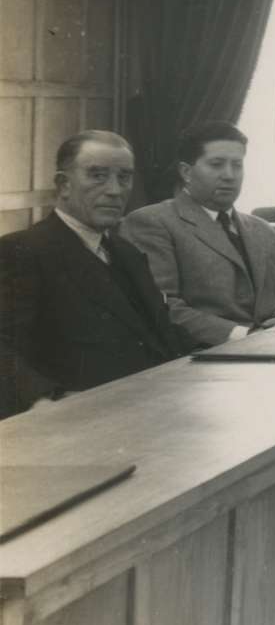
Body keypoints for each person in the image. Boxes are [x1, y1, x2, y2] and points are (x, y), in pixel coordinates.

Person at [0, 130, 192, 416]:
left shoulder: (126, 252)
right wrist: (44, 399)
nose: (115, 190)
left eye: (124, 177)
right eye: (97, 176)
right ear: (63, 185)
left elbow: (162, 334)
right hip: (82, 418)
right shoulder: (22, 250)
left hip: (153, 403)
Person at [121, 122, 275, 346]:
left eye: (237, 165)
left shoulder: (264, 229)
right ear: (186, 172)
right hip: (204, 355)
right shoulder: (152, 222)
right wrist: (246, 337)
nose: (229, 175)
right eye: (216, 164)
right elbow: (162, 306)